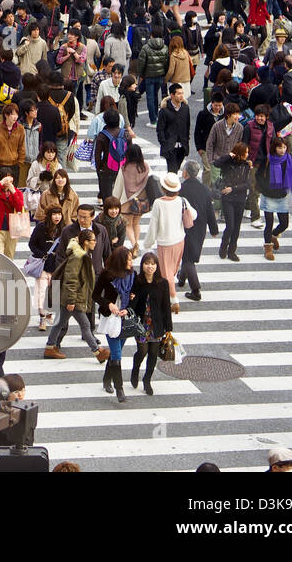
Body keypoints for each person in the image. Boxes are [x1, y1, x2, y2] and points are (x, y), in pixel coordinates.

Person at [44, 229, 107, 362]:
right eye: (93, 240)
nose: (95, 243)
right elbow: (71, 280)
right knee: (85, 325)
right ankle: (97, 351)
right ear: (85, 242)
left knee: (59, 323)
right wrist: (71, 300)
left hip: (73, 297)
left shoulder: (83, 255)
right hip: (74, 298)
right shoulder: (77, 257)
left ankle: (50, 347)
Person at [92, 245, 135, 403]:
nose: (131, 262)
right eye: (128, 259)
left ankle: (106, 379)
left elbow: (135, 296)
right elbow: (95, 295)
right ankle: (119, 389)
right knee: (117, 354)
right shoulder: (106, 274)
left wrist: (131, 298)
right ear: (120, 260)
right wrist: (108, 304)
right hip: (110, 318)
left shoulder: (132, 274)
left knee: (117, 351)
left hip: (125, 317)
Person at [129, 251, 173, 396]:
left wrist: (168, 328)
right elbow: (132, 305)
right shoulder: (137, 281)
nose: (150, 267)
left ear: (157, 266)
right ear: (142, 265)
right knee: (142, 351)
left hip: (157, 324)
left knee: (153, 353)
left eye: (153, 264)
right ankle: (135, 369)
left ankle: (147, 380)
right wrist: (132, 298)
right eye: (147, 263)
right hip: (141, 324)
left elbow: (166, 306)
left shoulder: (162, 283)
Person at [178, 159, 218, 302]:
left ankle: (196, 290)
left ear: (186, 173)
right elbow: (209, 210)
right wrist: (214, 229)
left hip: (185, 227)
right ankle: (181, 279)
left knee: (188, 258)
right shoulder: (205, 189)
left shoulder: (181, 189)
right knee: (188, 254)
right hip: (200, 228)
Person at [258, 135, 292, 261]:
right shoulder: (268, 159)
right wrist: (264, 189)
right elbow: (258, 175)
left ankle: (274, 235)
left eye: (284, 147)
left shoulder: (289, 160)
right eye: (280, 147)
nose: (282, 150)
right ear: (275, 147)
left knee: (284, 223)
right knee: (269, 223)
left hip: (282, 195)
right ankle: (268, 248)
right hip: (268, 195)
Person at [0, 167, 25, 258]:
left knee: (9, 257)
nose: (7, 180)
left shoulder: (17, 192)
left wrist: (13, 192)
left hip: (12, 230)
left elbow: (19, 207)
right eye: (5, 178)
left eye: (9, 177)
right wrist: (1, 183)